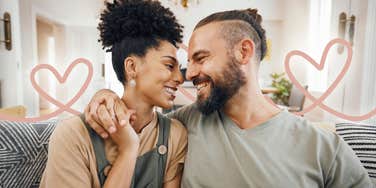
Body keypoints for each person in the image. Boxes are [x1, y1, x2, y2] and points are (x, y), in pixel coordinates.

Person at [85, 8, 373, 187]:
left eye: (201, 58)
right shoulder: (187, 122)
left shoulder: (322, 146)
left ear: (244, 52)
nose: (190, 73)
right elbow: (140, 122)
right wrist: (107, 94)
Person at [40, 0, 188, 187]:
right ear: (132, 67)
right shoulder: (73, 134)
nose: (180, 78)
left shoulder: (175, 134)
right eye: (169, 65)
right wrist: (128, 149)